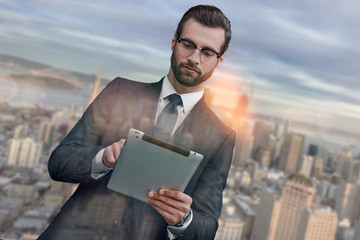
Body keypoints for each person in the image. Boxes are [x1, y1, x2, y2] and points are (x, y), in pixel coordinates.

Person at [38, 4, 235, 240]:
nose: (194, 58)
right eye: (188, 45)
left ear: (219, 60)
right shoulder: (120, 91)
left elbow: (208, 226)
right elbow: (58, 162)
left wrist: (184, 220)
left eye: (207, 52)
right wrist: (102, 158)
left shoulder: (220, 136)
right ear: (174, 42)